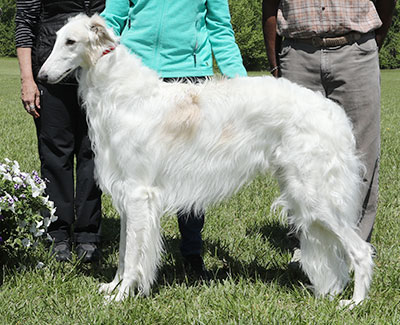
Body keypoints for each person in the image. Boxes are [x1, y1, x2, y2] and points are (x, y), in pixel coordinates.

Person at [101, 0, 247, 278]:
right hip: (137, 76)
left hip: (190, 77)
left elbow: (220, 28)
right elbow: (112, 20)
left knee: (191, 173)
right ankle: (133, 262)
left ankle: (192, 254)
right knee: (135, 176)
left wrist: (240, 81)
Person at [262, 0, 396, 251]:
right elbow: (269, 5)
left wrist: (370, 42)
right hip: (297, 54)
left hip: (354, 49)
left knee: (362, 155)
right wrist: (275, 64)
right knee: (298, 160)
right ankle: (306, 247)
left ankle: (355, 245)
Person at [15, 0, 105, 262]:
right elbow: (24, 23)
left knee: (93, 152)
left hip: (98, 73)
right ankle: (58, 234)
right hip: (50, 68)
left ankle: (88, 235)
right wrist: (26, 79)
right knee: (55, 154)